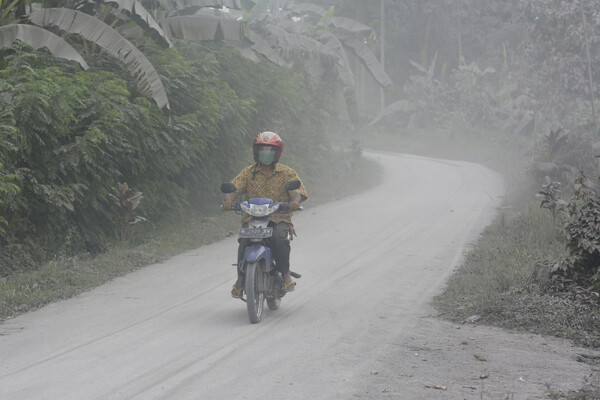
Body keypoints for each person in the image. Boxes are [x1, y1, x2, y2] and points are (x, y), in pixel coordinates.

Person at [222, 131, 308, 299]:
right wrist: (228, 200)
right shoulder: (248, 173)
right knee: (244, 241)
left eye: (270, 150)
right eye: (262, 149)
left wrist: (295, 201)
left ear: (277, 152)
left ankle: (285, 275)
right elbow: (233, 188)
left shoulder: (286, 173)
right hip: (252, 218)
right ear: (256, 151)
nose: (266, 153)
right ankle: (240, 279)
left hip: (278, 218)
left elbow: (298, 191)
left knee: (278, 238)